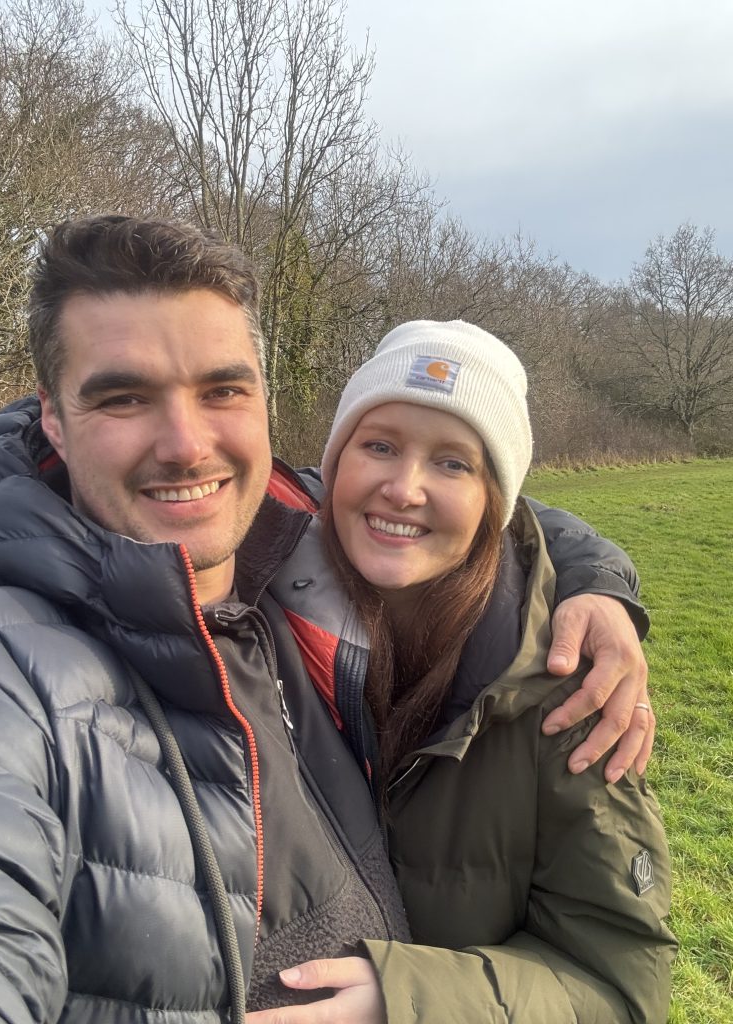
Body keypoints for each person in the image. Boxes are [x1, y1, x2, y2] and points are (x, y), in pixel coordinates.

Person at [0, 215, 651, 1023]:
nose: (187, 444)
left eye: (221, 389)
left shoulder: (551, 672)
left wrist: (600, 584)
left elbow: (618, 977)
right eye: (123, 397)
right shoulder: (8, 660)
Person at [251, 321, 676, 1023]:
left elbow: (621, 983)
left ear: (494, 502)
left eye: (453, 463)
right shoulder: (250, 598)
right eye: (379, 445)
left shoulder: (569, 686)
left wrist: (410, 999)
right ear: (335, 464)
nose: (404, 488)